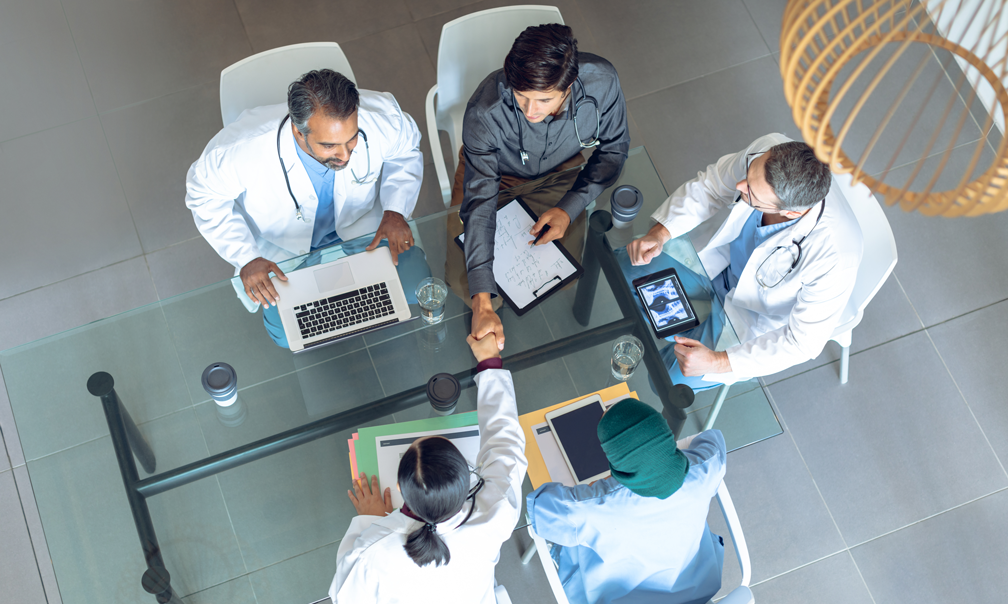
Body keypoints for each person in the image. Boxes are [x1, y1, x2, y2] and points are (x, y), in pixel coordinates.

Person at [328, 333, 527, 604]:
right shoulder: (494, 510)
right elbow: (505, 442)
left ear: (405, 495)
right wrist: (490, 364)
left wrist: (371, 520)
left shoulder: (376, 547)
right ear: (465, 481)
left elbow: (349, 601)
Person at [186, 69, 428, 347]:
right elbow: (202, 195)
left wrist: (395, 209)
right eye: (329, 146)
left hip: (366, 231)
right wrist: (246, 257)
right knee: (290, 334)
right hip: (286, 253)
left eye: (352, 139)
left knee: (416, 290)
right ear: (298, 132)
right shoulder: (241, 149)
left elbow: (407, 151)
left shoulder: (382, 118)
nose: (345, 155)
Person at [624, 134, 864, 388]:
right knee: (631, 267)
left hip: (752, 315)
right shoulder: (767, 151)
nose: (739, 186)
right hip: (715, 261)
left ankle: (676, 330)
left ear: (790, 212)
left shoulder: (836, 256)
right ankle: (666, 325)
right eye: (749, 174)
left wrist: (716, 362)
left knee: (667, 380)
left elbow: (800, 343)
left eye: (751, 192)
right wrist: (660, 234)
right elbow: (712, 186)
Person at [449, 23, 630, 352]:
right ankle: (480, 319)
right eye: (521, 97)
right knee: (465, 278)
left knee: (556, 273)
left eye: (544, 100)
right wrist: (482, 300)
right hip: (493, 175)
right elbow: (480, 205)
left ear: (569, 86)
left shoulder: (602, 81)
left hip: (559, 173)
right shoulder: (484, 112)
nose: (531, 111)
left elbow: (614, 151)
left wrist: (569, 208)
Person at [527, 398, 726, 604]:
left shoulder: (591, 509)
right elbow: (711, 439)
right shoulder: (705, 470)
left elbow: (538, 508)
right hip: (698, 589)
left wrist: (594, 489)